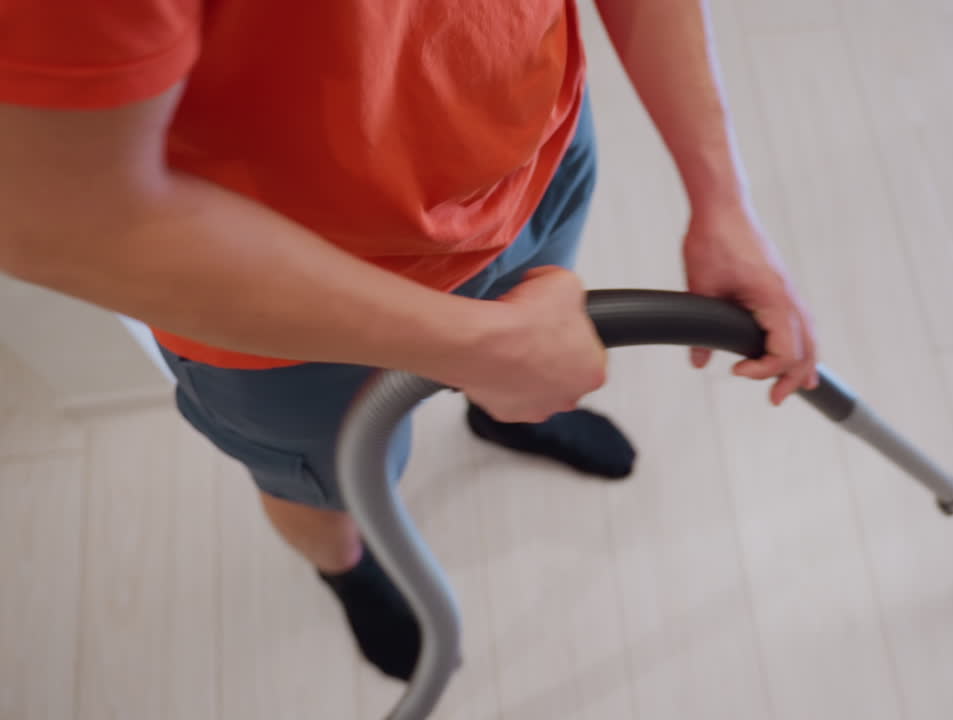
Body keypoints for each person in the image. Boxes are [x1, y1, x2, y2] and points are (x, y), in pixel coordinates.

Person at [0, 0, 819, 681]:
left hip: (539, 153)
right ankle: (348, 566)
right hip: (284, 311)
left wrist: (720, 199)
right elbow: (63, 220)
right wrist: (482, 348)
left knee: (532, 351)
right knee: (323, 488)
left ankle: (504, 416)